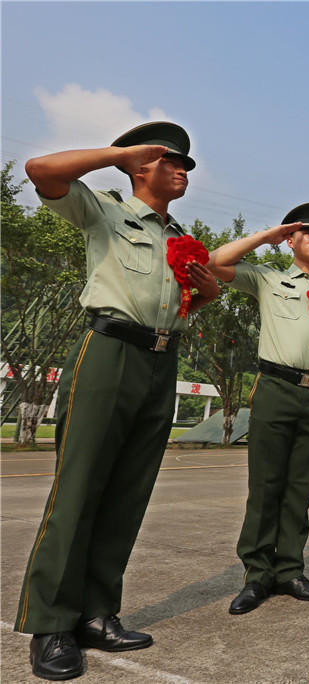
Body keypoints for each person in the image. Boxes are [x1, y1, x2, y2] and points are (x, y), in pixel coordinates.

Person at [15, 122, 219, 680]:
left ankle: (98, 614)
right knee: (79, 489)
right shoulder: (106, 210)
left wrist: (206, 292)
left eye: (186, 164)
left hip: (160, 359)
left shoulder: (178, 236)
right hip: (109, 351)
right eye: (170, 161)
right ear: (140, 166)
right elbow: (40, 172)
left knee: (129, 492)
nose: (183, 171)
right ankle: (52, 624)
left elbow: (183, 305)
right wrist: (119, 155)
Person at [207, 203, 309, 615]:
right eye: (307, 232)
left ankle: (290, 569)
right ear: (290, 239)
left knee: (300, 487)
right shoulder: (268, 278)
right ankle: (256, 575)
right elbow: (215, 262)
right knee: (266, 486)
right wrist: (265, 236)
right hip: (276, 387)